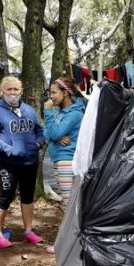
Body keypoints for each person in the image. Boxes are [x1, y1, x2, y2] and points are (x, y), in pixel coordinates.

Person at [0, 76, 46, 249]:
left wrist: (39, 143)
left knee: (28, 196)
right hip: (6, 163)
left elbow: (40, 131)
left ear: (21, 91)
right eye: (9, 89)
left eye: (16, 89)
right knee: (6, 196)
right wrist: (9, 149)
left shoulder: (29, 110)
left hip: (30, 162)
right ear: (2, 91)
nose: (12, 93)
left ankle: (28, 231)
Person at [43, 78, 85, 207]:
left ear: (65, 93)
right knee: (69, 201)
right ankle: (72, 227)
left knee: (69, 202)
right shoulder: (58, 111)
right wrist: (56, 136)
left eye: (54, 92)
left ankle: (72, 227)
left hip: (67, 159)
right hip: (59, 159)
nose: (51, 97)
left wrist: (47, 111)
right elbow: (46, 133)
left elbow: (54, 132)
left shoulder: (74, 113)